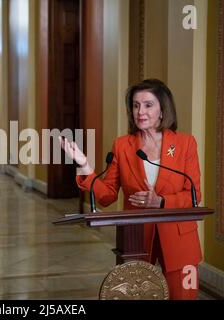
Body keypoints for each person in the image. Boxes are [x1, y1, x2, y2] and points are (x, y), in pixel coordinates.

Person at [60, 79, 202, 300]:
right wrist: (84, 165)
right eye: (135, 105)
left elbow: (193, 195)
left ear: (163, 109)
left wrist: (161, 201)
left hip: (179, 237)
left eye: (148, 105)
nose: (140, 112)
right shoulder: (122, 145)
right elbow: (107, 195)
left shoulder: (185, 143)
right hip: (136, 237)